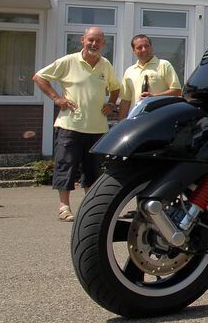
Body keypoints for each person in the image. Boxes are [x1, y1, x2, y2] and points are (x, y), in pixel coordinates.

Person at [32, 27, 120, 222]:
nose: (94, 44)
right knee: (66, 166)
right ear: (83, 40)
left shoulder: (105, 64)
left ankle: (91, 209)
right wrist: (57, 98)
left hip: (97, 128)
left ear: (103, 43)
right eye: (90, 40)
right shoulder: (69, 61)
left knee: (93, 170)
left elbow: (116, 87)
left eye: (98, 41)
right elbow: (39, 77)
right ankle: (64, 207)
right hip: (70, 126)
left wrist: (111, 103)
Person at [117, 34, 182, 119]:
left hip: (159, 118)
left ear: (151, 47)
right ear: (134, 50)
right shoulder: (129, 71)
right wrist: (121, 123)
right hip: (136, 119)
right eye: (139, 47)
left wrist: (154, 97)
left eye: (146, 46)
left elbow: (177, 91)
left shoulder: (164, 65)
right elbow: (126, 101)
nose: (144, 50)